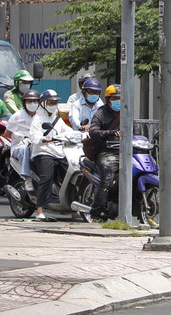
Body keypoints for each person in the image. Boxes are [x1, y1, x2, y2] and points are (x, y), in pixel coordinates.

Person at [28, 89, 84, 220]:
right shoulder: (37, 119)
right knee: (46, 178)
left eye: (55, 102)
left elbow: (67, 131)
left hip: (59, 152)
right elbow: (34, 138)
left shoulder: (57, 119)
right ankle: (39, 210)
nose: (53, 105)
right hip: (43, 152)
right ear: (43, 103)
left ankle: (73, 205)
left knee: (72, 175)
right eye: (50, 102)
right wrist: (44, 139)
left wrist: (80, 134)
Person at [87, 85, 122, 220]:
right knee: (107, 178)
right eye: (115, 98)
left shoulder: (126, 112)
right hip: (106, 152)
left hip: (124, 152)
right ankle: (97, 211)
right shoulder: (101, 113)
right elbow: (93, 131)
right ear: (108, 100)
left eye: (121, 98)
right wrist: (110, 133)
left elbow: (135, 130)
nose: (118, 101)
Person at [4, 89, 42, 193]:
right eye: (29, 101)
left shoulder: (41, 116)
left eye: (35, 101)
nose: (32, 104)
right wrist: (20, 137)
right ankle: (27, 178)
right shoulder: (17, 116)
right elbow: (7, 134)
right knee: (25, 149)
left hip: (37, 144)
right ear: (24, 103)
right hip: (19, 146)